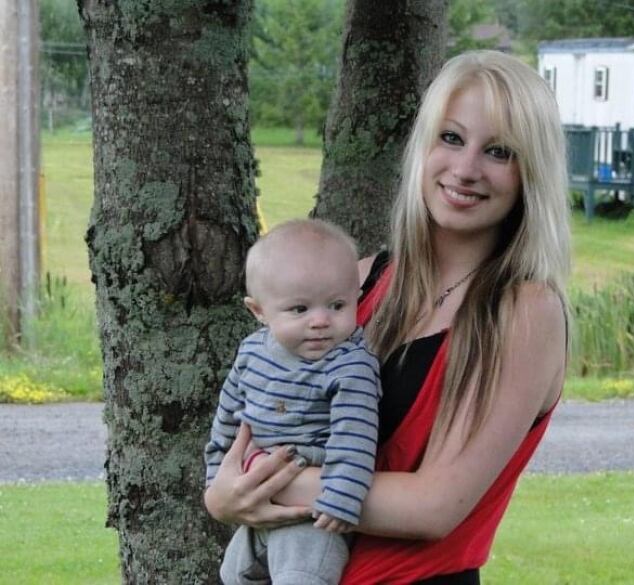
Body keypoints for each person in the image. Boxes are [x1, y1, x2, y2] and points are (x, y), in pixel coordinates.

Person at [205, 50, 570, 584]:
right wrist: (221, 498)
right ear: (423, 146)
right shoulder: (356, 282)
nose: (466, 169)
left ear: (529, 173)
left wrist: (257, 480)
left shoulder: (524, 312)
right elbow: (259, 412)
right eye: (450, 138)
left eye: (499, 151)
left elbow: (433, 506)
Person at [204, 219, 382, 585]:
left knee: (302, 576)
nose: (320, 321)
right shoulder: (253, 352)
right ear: (259, 312)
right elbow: (228, 419)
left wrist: (341, 499)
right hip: (257, 506)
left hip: (314, 516)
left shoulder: (350, 365)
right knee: (232, 575)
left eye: (336, 305)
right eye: (300, 310)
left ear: (356, 297)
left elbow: (356, 438)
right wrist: (217, 479)